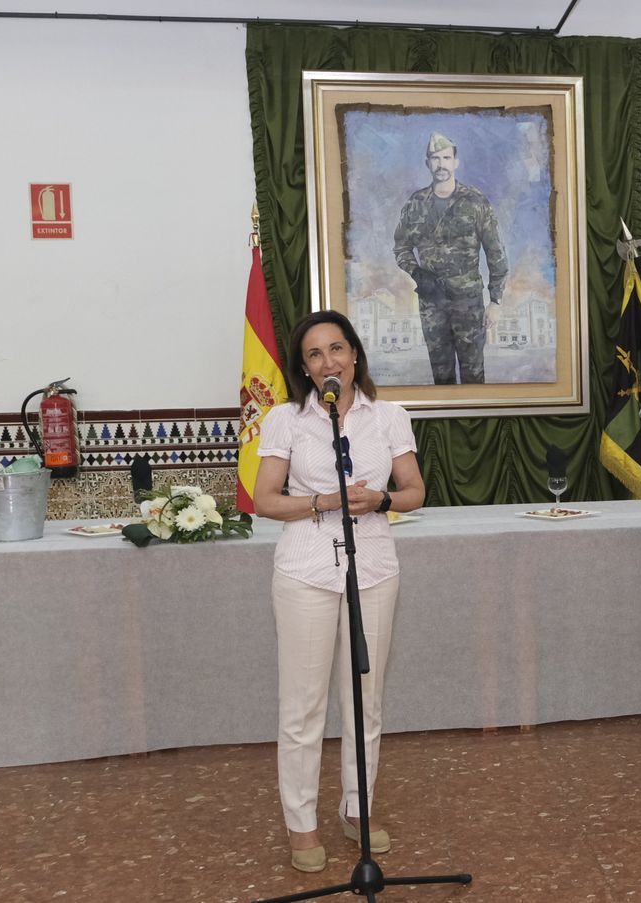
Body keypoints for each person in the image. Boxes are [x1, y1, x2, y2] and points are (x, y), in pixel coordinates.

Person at [253, 310, 426, 872]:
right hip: (305, 570)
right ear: (304, 368)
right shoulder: (286, 420)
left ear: (355, 355)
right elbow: (265, 501)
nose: (329, 361)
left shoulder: (390, 416)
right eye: (314, 354)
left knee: (365, 703)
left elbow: (415, 491)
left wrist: (380, 501)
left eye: (337, 349)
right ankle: (300, 823)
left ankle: (359, 809)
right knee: (303, 708)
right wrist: (322, 502)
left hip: (373, 566)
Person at [393, 132, 509, 385]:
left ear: (456, 162)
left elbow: (496, 253)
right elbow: (400, 248)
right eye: (435, 158)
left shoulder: (476, 202)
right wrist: (416, 272)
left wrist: (496, 301)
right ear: (427, 163)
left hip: (468, 302)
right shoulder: (416, 203)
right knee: (441, 375)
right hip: (431, 303)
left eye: (446, 157)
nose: (441, 164)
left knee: (473, 373)